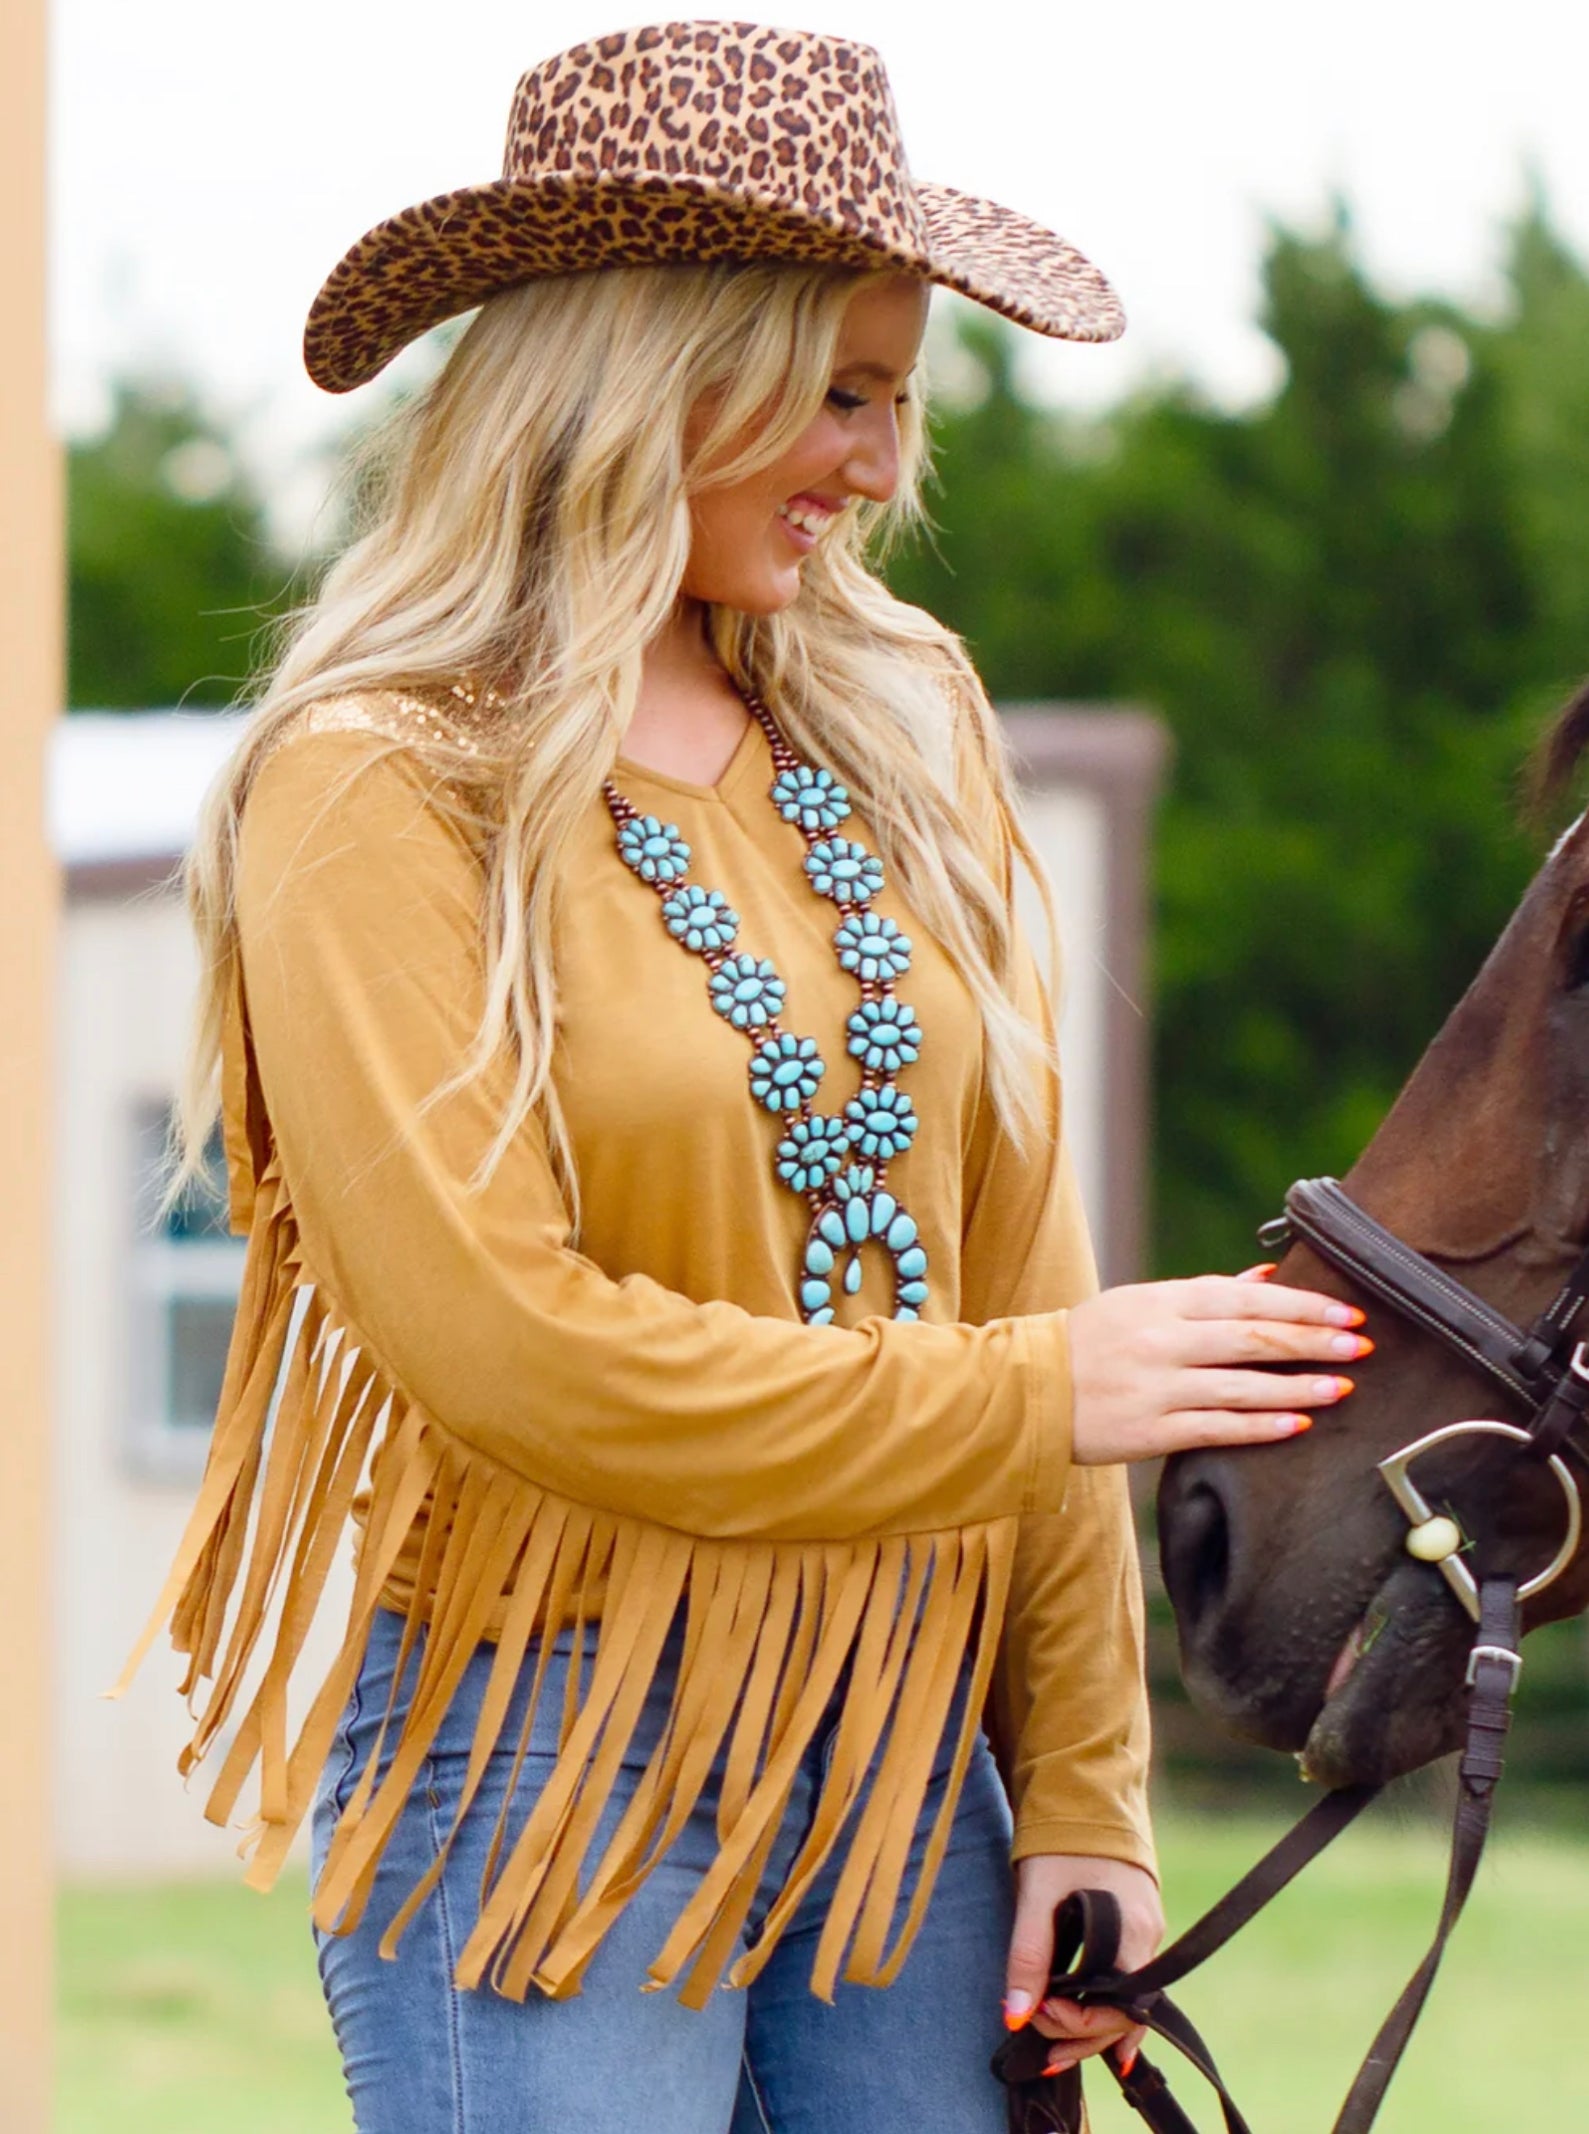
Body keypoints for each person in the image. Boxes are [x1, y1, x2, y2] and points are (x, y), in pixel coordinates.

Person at [122, 23, 1368, 2134]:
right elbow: (508, 1344)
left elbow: (1017, 1265)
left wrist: (1084, 1784)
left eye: (900, 398)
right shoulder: (374, 786)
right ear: (648, 368)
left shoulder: (902, 716)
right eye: (846, 391)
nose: (884, 468)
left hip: (909, 1767)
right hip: (546, 1765)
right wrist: (1031, 1388)